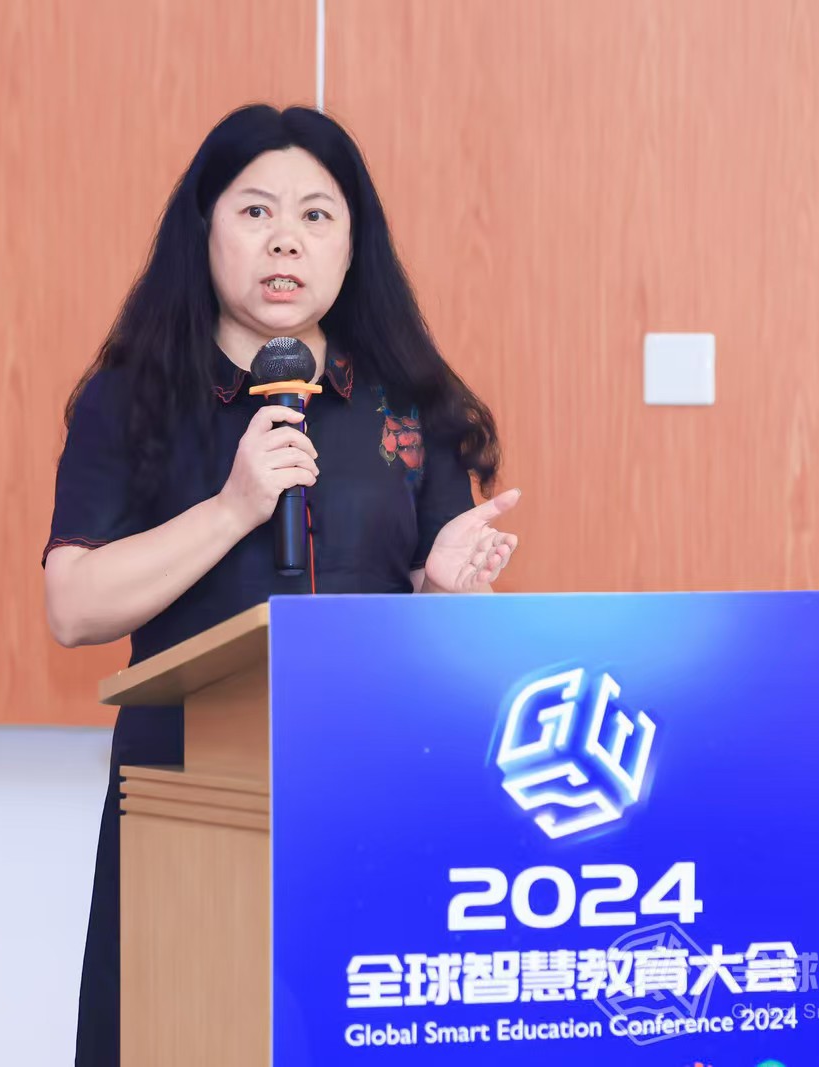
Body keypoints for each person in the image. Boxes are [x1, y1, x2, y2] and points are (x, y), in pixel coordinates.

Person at [40, 103, 520, 1066]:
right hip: (185, 796)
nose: (285, 240)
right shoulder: (134, 395)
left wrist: (443, 593)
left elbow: (432, 622)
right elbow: (73, 604)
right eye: (255, 211)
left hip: (368, 786)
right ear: (205, 230)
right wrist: (233, 507)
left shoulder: (405, 399)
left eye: (315, 215)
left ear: (352, 245)